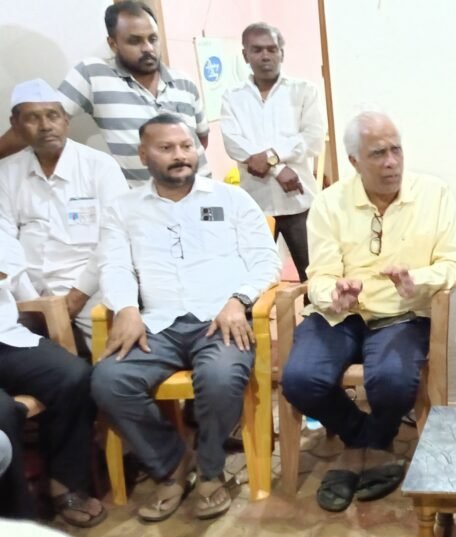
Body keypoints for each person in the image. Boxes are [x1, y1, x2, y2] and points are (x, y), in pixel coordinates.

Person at [90, 114, 279, 522]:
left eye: (186, 146)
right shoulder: (123, 209)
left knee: (220, 377)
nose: (180, 155)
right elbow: (114, 265)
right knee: (108, 380)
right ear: (144, 155)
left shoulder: (231, 200)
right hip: (155, 325)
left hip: (220, 320)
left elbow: (266, 260)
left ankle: (210, 471)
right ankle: (173, 463)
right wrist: (125, 308)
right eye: (166, 148)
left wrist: (238, 300)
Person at [280, 111, 456, 513]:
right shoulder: (329, 202)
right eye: (378, 154)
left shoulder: (434, 194)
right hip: (341, 315)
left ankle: (366, 448)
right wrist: (334, 292)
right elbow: (319, 275)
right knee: (300, 380)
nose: (391, 162)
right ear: (354, 161)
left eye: (396, 150)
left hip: (403, 312)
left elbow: (455, 264)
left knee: (394, 381)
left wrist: (418, 279)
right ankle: (366, 441)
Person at [0, 1, 210, 186]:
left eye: (153, 38)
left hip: (202, 194)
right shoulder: (94, 75)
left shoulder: (185, 82)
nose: (148, 48)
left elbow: (201, 138)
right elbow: (44, 122)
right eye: (135, 41)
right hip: (144, 205)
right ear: (113, 44)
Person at [0, 79, 129, 352]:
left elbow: (115, 238)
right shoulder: (7, 173)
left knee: (110, 360)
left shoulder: (99, 166)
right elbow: (4, 240)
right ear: (15, 124)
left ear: (66, 120)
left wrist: (76, 296)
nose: (45, 126)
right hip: (26, 292)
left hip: (91, 290)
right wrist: (34, 302)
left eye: (53, 116)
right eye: (32, 118)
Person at [0, 231, 104, 527]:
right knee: (3, 412)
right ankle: (16, 519)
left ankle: (64, 483)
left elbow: (16, 282)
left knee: (73, 376)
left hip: (6, 339)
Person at [221, 22, 326, 282]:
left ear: (282, 53)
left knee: (314, 277)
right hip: (254, 205)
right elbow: (234, 144)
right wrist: (278, 168)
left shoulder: (304, 91)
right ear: (245, 55)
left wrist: (270, 157)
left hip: (298, 201)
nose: (265, 56)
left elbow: (313, 139)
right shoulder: (232, 96)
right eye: (257, 50)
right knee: (253, 279)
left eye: (272, 49)